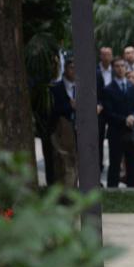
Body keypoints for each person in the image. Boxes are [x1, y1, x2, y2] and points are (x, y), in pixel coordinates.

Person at [104, 56, 134, 188]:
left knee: (132, 162)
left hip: (132, 132)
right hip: (116, 132)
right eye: (117, 66)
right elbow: (108, 113)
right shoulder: (108, 89)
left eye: (122, 66)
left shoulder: (132, 87)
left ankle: (132, 188)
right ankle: (112, 190)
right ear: (113, 69)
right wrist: (124, 120)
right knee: (115, 163)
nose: (120, 69)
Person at [49, 59, 78, 188]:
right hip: (62, 131)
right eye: (71, 67)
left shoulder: (82, 87)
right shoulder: (56, 88)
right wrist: (70, 106)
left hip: (79, 129)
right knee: (63, 162)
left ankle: (74, 188)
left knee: (77, 161)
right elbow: (52, 110)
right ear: (65, 69)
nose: (74, 71)